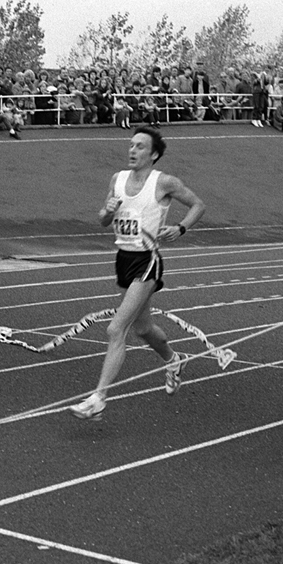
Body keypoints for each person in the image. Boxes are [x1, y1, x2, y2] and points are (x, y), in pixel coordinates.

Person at [70, 128, 208, 421]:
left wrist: (181, 228)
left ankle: (98, 398)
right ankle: (173, 360)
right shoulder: (117, 179)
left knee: (115, 329)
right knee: (143, 328)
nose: (132, 150)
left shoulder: (164, 182)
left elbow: (198, 204)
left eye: (140, 146)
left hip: (147, 261)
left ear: (153, 154)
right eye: (131, 145)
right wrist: (106, 212)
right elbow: (103, 220)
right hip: (123, 258)